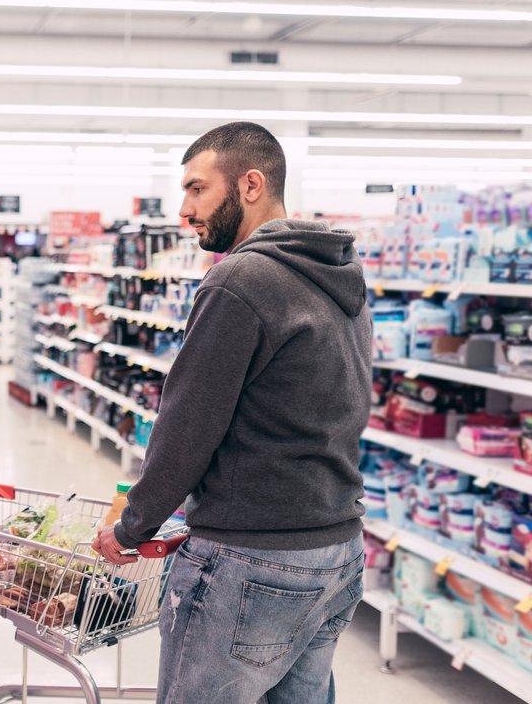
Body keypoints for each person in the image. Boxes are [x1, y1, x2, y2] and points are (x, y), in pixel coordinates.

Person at [91, 121, 371, 704]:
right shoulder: (341, 277)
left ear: (249, 184)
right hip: (336, 549)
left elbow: (188, 424)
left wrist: (133, 524)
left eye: (197, 189)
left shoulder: (241, 279)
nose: (184, 209)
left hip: (252, 559)